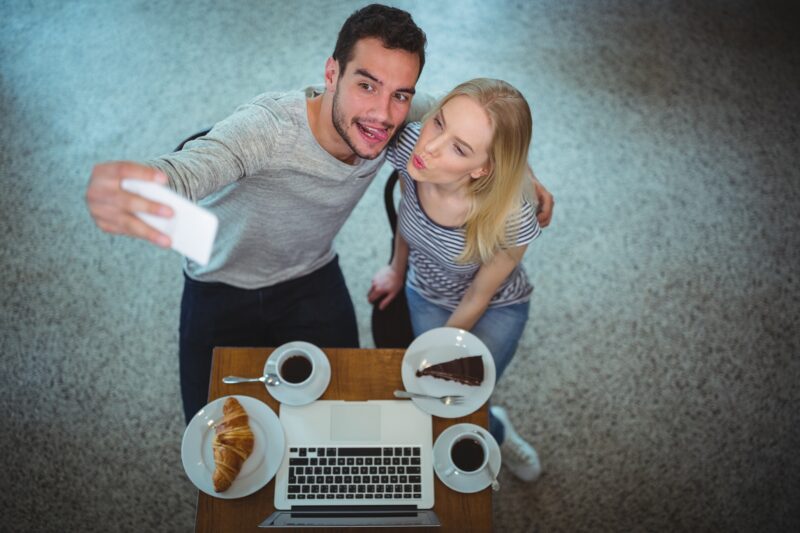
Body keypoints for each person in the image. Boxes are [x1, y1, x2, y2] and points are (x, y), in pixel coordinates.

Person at [85, 4, 554, 425]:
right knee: (211, 428)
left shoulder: (409, 123)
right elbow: (197, 164)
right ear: (332, 73)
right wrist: (143, 182)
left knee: (344, 411)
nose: (382, 115)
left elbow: (487, 125)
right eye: (366, 85)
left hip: (310, 274)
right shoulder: (266, 128)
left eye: (399, 95)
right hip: (219, 282)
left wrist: (522, 177)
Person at [368, 78, 545, 482]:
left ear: (483, 168)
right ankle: (495, 427)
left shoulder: (513, 214)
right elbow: (407, 223)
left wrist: (440, 355)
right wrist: (396, 269)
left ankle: (492, 427)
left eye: (459, 147)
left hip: (498, 304)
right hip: (427, 291)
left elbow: (479, 296)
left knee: (460, 396)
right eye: (438, 124)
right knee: (443, 397)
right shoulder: (410, 149)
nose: (429, 148)